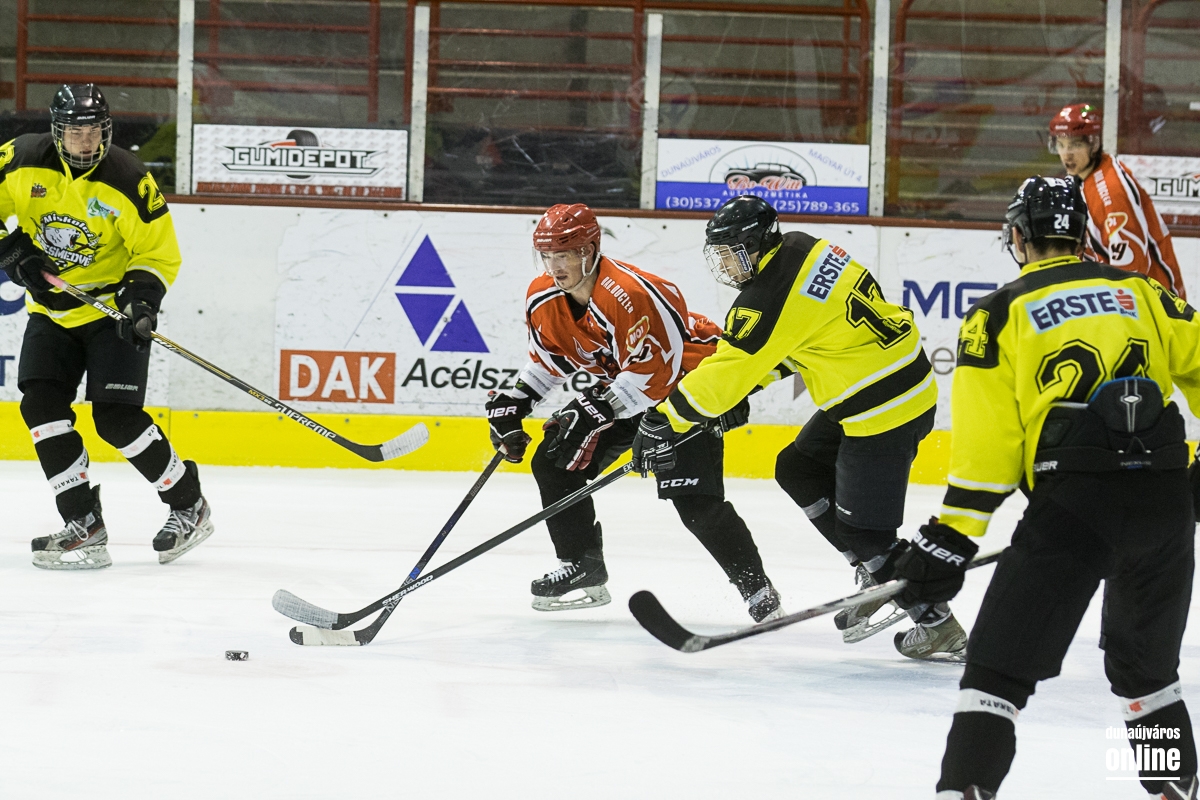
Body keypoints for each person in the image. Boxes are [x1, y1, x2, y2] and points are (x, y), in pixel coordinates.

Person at [892, 176, 1197, 799]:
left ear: (1017, 236)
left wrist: (952, 538)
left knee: (995, 678)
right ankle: (1175, 789)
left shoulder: (996, 313)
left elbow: (989, 453)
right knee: (1146, 677)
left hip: (1074, 513)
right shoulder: (1144, 292)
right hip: (1166, 509)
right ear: (1081, 234)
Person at [631, 195, 959, 661]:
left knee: (869, 535)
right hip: (890, 379)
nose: (725, 265)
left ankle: (937, 623)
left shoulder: (768, 297)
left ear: (756, 244)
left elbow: (728, 371)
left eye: (731, 253)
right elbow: (802, 341)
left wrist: (664, 419)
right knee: (797, 467)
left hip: (884, 408)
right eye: (718, 255)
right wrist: (743, 389)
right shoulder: (804, 247)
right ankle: (876, 573)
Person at [484, 202, 783, 622]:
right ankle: (583, 565)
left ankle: (757, 589)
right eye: (547, 256)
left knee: (693, 500)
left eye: (564, 255)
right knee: (553, 461)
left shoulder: (631, 294)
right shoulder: (542, 296)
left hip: (689, 387)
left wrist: (595, 410)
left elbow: (656, 375)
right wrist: (516, 401)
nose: (555, 267)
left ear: (589, 250)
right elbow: (551, 359)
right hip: (629, 388)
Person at [0, 84, 213, 570]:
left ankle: (189, 504)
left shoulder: (128, 178)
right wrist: (13, 254)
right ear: (57, 131)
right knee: (41, 407)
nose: (86, 140)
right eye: (76, 131)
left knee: (116, 420)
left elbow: (158, 253)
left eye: (94, 130)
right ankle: (83, 523)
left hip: (110, 312)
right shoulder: (21, 159)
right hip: (52, 312)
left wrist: (141, 301)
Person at [1050, 102, 1185, 298]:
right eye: (1061, 145)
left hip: (1155, 303)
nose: (1066, 154)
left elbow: (1130, 269)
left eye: (1076, 144)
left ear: (1094, 144)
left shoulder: (1111, 190)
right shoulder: (1085, 178)